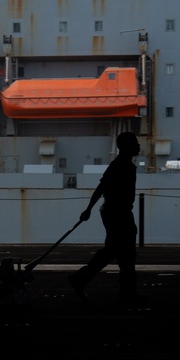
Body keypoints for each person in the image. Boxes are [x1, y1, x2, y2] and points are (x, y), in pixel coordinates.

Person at [68, 131, 147, 305]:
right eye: (134, 142)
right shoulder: (121, 166)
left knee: (114, 252)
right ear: (125, 146)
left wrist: (89, 209)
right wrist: (88, 209)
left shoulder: (121, 164)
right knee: (125, 255)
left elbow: (101, 188)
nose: (138, 145)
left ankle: (82, 279)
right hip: (119, 214)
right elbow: (102, 187)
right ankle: (127, 294)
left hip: (116, 213)